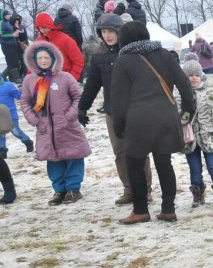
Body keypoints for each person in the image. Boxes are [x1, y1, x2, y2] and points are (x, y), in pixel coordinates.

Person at [110, 21, 196, 224]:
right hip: (166, 116)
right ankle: (168, 209)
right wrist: (186, 112)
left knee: (135, 163)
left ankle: (140, 210)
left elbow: (118, 98)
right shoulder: (164, 55)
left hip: (138, 119)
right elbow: (185, 85)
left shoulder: (123, 61)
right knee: (164, 162)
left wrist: (118, 124)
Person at [78, 12, 154, 205]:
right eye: (104, 31)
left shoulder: (131, 52)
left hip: (135, 108)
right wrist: (83, 107)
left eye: (111, 31)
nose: (108, 35)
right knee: (120, 151)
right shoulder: (98, 56)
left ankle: (144, 189)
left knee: (139, 150)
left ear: (120, 31)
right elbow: (93, 84)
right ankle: (129, 188)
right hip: (112, 111)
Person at [19, 42, 88, 204]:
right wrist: (34, 120)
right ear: (34, 60)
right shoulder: (30, 80)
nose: (43, 60)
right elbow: (25, 102)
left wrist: (69, 116)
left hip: (67, 127)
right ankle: (59, 190)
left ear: (53, 58)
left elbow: (78, 97)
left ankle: (73, 189)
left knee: (73, 157)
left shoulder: (65, 77)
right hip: (45, 129)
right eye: (40, 57)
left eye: (46, 57)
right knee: (53, 160)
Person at [180, 58, 213, 207]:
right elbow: (175, 115)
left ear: (201, 76)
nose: (193, 78)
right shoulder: (180, 94)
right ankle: (198, 194)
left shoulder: (209, 93)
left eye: (196, 75)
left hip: (209, 137)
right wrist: (182, 117)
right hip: (190, 139)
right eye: (189, 75)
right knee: (194, 169)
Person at [33, 12, 83, 81]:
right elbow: (32, 63)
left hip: (63, 80)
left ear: (49, 25)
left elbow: (78, 61)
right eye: (40, 28)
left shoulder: (65, 39)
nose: (42, 30)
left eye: (44, 27)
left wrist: (71, 80)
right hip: (44, 82)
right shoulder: (38, 42)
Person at [0, 79, 34, 158]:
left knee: (16, 132)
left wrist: (23, 90)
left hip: (10, 114)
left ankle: (27, 142)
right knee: (0, 134)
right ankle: (2, 151)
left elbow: (19, 96)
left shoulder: (8, 85)